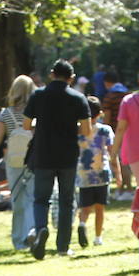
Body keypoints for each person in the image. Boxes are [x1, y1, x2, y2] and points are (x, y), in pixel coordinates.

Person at [23, 59, 92, 259]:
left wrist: (43, 125)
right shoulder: (78, 98)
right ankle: (63, 246)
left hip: (44, 153)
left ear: (51, 74)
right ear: (72, 78)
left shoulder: (38, 95)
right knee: (66, 200)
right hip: (68, 154)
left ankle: (41, 229)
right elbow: (86, 130)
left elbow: (26, 125)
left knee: (41, 199)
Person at [0, 75, 37, 250]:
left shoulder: (6, 113)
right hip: (33, 159)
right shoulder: (36, 111)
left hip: (14, 160)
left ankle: (19, 239)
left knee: (17, 199)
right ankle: (32, 231)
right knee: (32, 197)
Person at [76, 96, 116, 248]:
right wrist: (118, 173)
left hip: (83, 173)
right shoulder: (105, 130)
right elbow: (112, 153)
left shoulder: (78, 130)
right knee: (100, 208)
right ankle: (98, 237)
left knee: (85, 207)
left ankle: (81, 223)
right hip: (101, 173)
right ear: (99, 113)